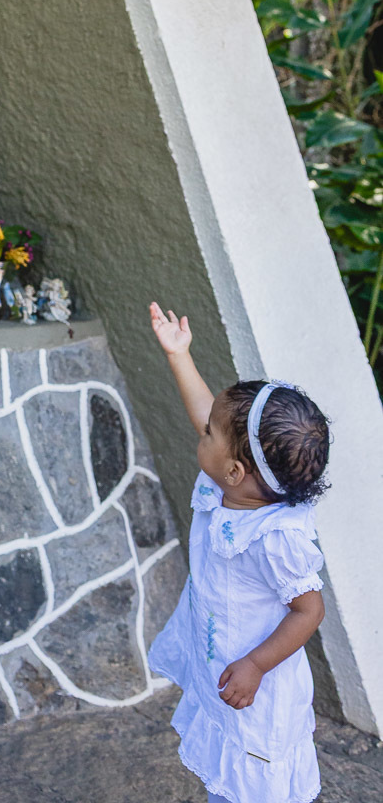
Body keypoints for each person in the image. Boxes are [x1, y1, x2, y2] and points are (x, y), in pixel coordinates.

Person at [147, 302, 330, 803]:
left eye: (210, 434)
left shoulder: (275, 537)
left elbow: (309, 609)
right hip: (224, 664)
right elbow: (211, 415)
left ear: (235, 470)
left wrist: (255, 664)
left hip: (257, 687)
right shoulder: (230, 486)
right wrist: (179, 355)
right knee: (226, 783)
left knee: (250, 783)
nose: (202, 429)